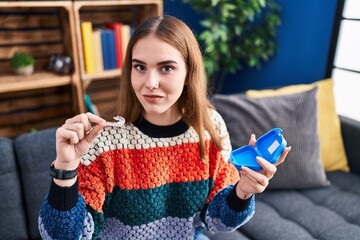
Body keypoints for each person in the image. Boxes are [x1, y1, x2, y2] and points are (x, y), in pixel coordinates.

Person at [38, 15, 290, 240]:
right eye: (140, 67)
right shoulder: (104, 142)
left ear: (188, 71)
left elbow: (217, 221)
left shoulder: (210, 126)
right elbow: (66, 236)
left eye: (166, 68)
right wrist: (65, 170)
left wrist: (242, 192)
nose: (150, 83)